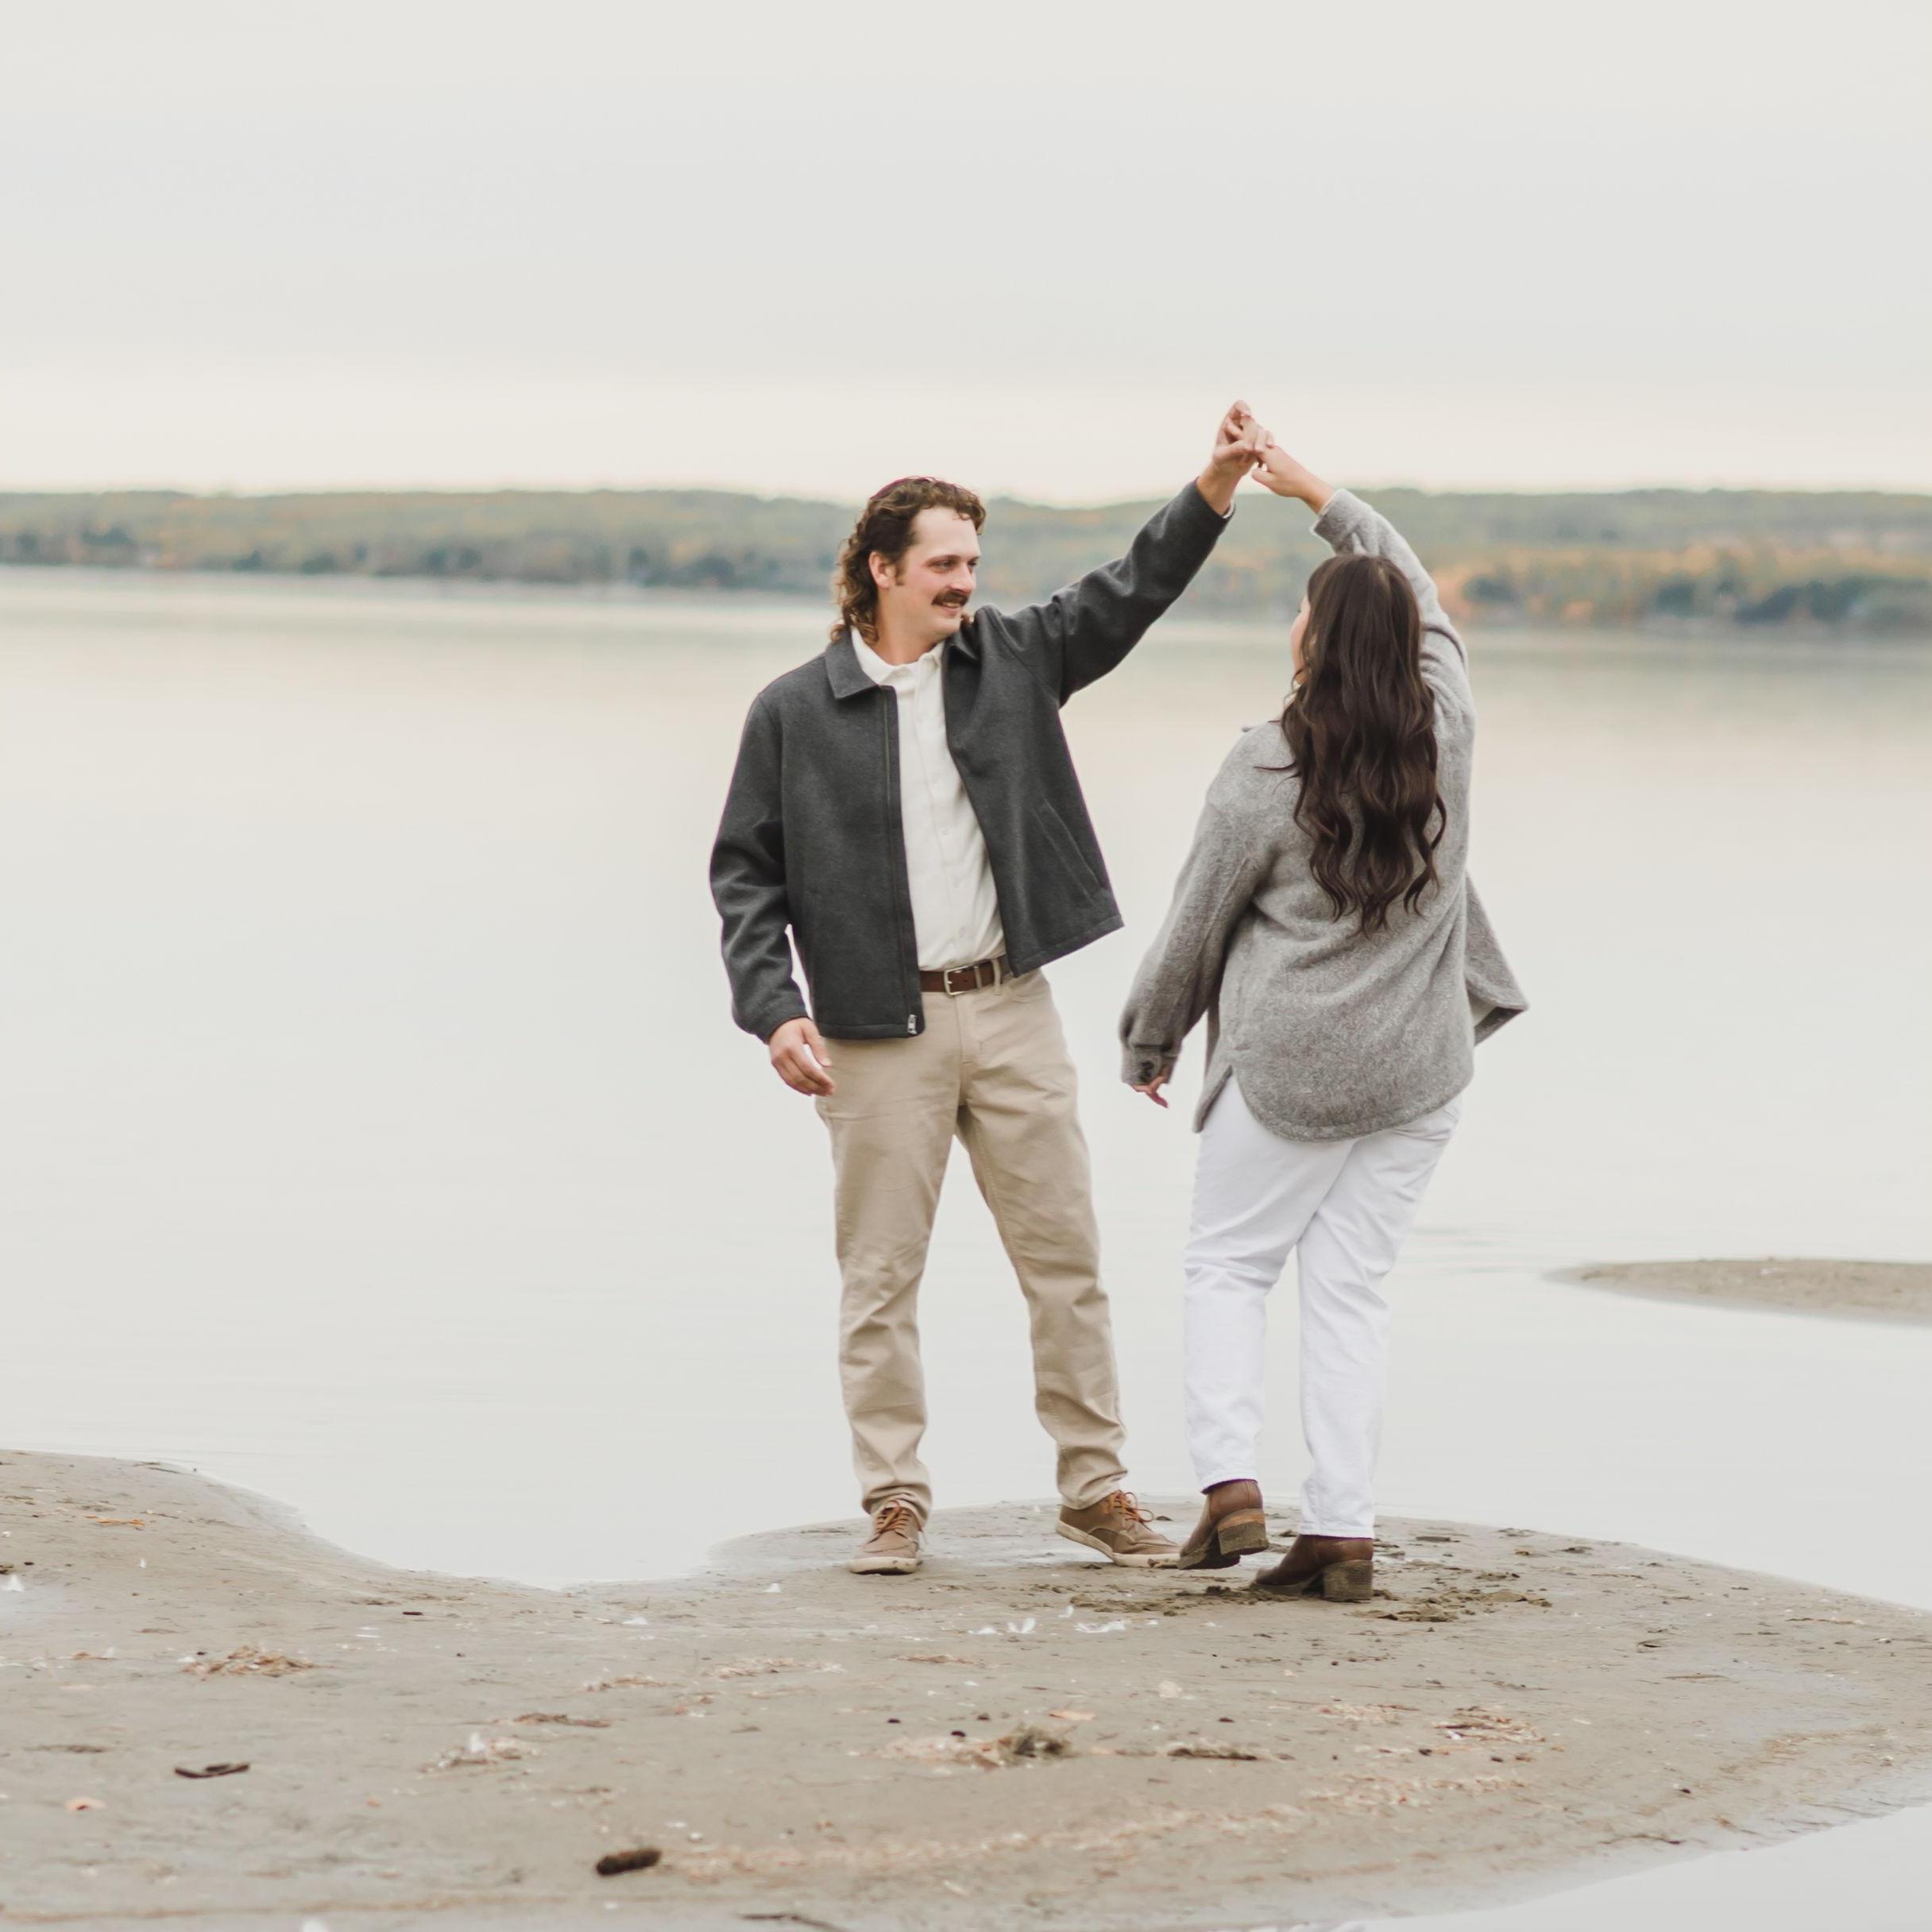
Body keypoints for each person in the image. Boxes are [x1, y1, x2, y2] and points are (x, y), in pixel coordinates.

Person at [710, 404, 1266, 1575]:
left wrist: (1214, 487)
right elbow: (745, 875)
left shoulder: (1013, 660)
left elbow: (1130, 591)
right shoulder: (793, 712)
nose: (966, 583)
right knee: (879, 1280)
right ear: (882, 570)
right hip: (872, 1031)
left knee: (1067, 1261)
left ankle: (1096, 1491)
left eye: (974, 563)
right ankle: (895, 1504)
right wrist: (774, 1007)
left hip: (1012, 1008)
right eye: (944, 565)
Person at [1118, 432, 1526, 1602]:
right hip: (1418, 1077)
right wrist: (1315, 492)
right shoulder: (1450, 736)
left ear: (1316, 640)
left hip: (1288, 1071)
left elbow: (1197, 923)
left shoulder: (1266, 766)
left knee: (1227, 1268)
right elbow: (1419, 590)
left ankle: (1228, 1489)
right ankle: (1342, 1530)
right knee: (1350, 1293)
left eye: (1303, 612)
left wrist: (1150, 1040)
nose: (1292, 625)